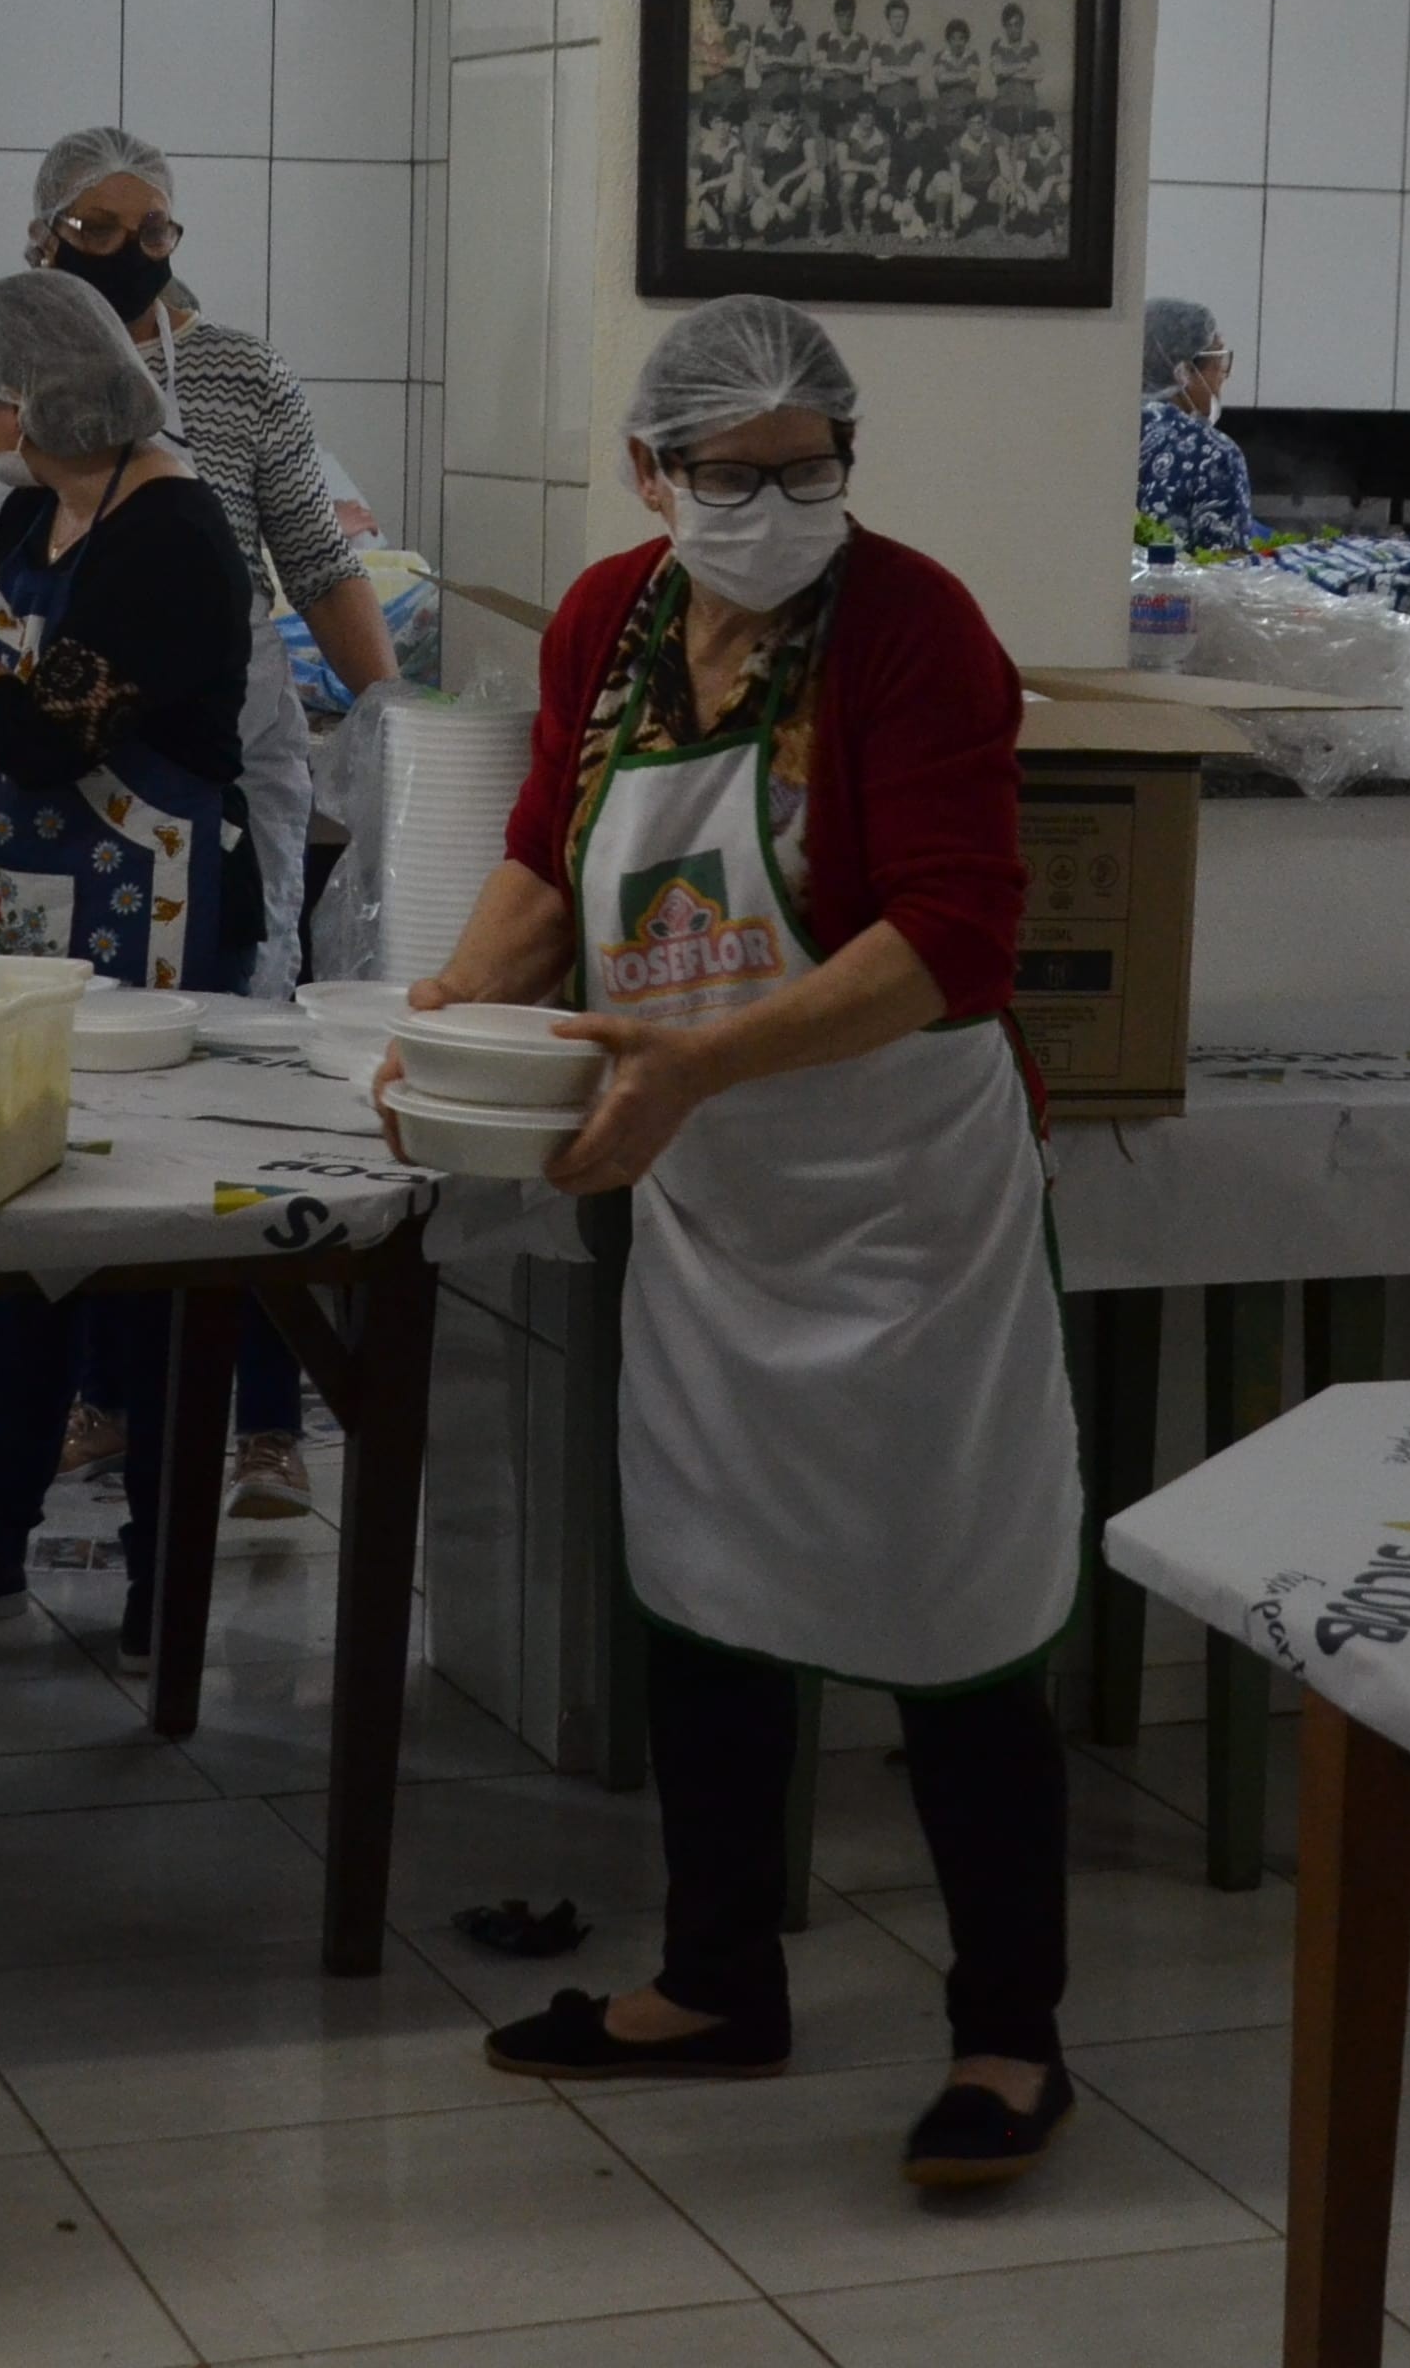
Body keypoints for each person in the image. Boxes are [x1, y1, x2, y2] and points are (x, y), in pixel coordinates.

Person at [401, 296, 1088, 2195]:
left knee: (950, 1604)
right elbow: (550, 851)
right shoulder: (610, 614)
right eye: (734, 475)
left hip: (903, 1190)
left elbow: (956, 930)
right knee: (701, 1569)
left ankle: (1008, 2027)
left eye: (811, 471)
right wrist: (453, 1008)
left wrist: (696, 1059)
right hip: (713, 1189)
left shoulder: (913, 625)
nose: (777, 506)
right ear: (653, 471)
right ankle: (717, 1978)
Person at [0, 132, 383, 1518]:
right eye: (98, 225)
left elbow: (320, 562)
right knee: (66, 1167)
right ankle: (95, 1418)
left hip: (191, 758)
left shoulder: (228, 386)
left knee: (207, 1124)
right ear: (44, 239)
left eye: (153, 224)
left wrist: (398, 734)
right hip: (29, 789)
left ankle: (260, 1427)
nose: (132, 249)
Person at [0, 271, 257, 1660]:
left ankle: (164, 1563)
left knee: (140, 1257)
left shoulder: (175, 539)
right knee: (19, 1243)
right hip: (21, 929)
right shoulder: (36, 516)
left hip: (153, 931)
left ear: (38, 399)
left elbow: (38, 731)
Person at [1135, 296, 1252, 552]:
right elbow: (1228, 576)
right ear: (1184, 372)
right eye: (1220, 364)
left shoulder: (1097, 431)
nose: (1223, 378)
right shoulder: (1214, 455)